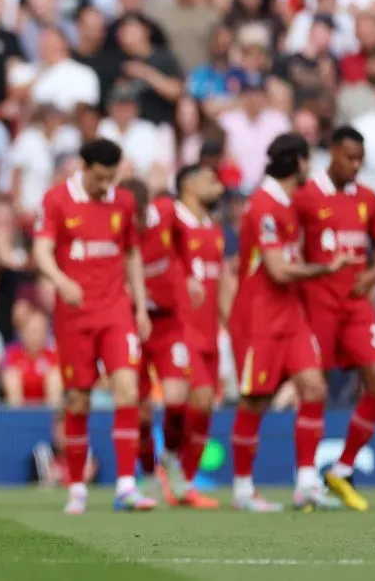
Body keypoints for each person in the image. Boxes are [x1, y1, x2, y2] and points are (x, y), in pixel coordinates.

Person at [228, 133, 358, 512]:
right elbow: (278, 271)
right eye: (308, 161)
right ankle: (242, 489)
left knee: (314, 387)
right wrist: (327, 268)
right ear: (296, 162)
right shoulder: (263, 206)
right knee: (255, 401)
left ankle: (305, 483)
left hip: (291, 315)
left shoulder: (286, 202)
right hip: (259, 318)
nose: (311, 168)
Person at [32, 138, 155, 514]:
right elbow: (41, 250)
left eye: (112, 178)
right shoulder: (57, 200)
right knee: (79, 399)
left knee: (128, 389)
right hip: (75, 315)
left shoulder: (122, 201)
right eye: (101, 178)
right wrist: (60, 280)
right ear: (84, 167)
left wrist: (141, 306)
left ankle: (126, 486)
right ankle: (76, 488)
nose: (106, 186)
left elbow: (132, 253)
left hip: (116, 310)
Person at [293, 126, 375, 511]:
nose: (355, 165)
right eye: (349, 157)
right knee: (314, 387)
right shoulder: (305, 198)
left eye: (360, 159)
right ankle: (305, 482)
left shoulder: (368, 198)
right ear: (331, 152)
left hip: (356, 306)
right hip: (317, 305)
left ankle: (342, 468)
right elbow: (289, 247)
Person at [116, 177, 196, 507]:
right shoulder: (115, 227)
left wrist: (190, 273)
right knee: (143, 412)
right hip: (133, 325)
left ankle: (171, 458)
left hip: (167, 322)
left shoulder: (166, 213)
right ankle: (148, 475)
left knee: (177, 399)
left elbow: (185, 237)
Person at [170, 165, 229, 507]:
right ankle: (170, 471)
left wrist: (232, 327)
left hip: (208, 332)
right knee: (196, 400)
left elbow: (218, 283)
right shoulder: (172, 223)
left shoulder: (214, 230)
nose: (218, 186)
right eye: (211, 179)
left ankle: (183, 482)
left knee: (205, 409)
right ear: (188, 185)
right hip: (179, 331)